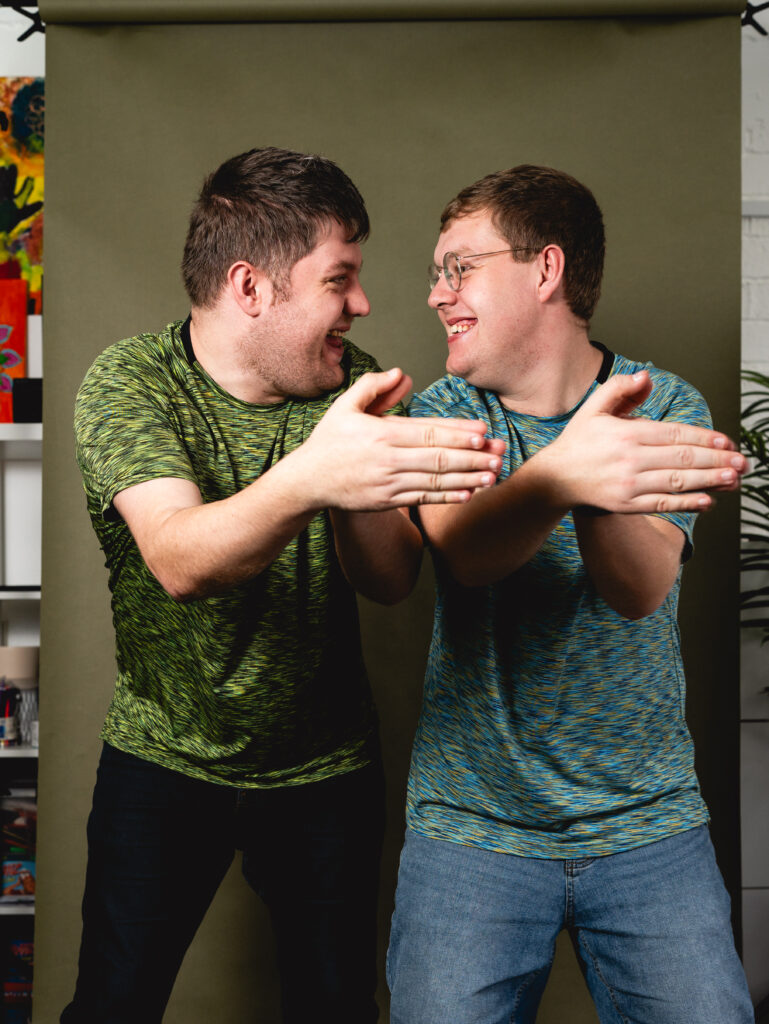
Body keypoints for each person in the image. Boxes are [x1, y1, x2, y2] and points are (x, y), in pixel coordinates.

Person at [64, 146, 507, 1024]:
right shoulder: (131, 382)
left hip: (324, 769)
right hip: (162, 759)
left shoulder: (352, 383)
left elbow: (387, 581)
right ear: (251, 287)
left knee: (336, 1006)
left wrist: (356, 484)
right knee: (112, 1005)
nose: (362, 304)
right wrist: (319, 473)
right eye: (339, 279)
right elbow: (182, 559)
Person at [386, 164, 754, 1024]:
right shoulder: (438, 413)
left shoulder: (659, 402)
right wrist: (568, 471)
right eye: (437, 272)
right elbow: (466, 554)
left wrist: (596, 480)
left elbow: (637, 588)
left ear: (544, 269)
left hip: (648, 829)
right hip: (468, 833)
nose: (437, 294)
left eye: (458, 268)